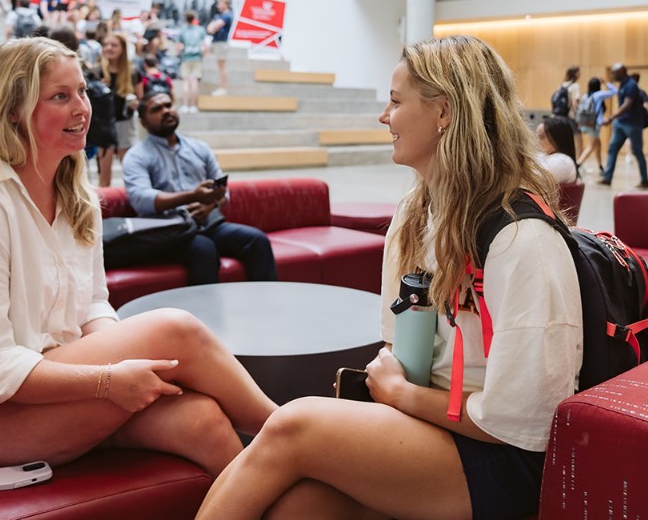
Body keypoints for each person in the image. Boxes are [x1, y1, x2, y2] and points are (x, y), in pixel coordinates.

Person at [197, 35, 582, 519]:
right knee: (296, 507)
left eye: (396, 101)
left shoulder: (521, 240)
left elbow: (524, 420)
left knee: (293, 422)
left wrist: (402, 394)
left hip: (502, 457)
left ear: (443, 112)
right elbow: (400, 349)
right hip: (430, 423)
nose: (384, 116)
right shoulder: (414, 213)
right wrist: (398, 393)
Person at [0, 36, 277, 474]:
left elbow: (94, 302)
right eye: (60, 96)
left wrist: (119, 363)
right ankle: (288, 429)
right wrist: (107, 380)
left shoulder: (76, 195)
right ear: (12, 112)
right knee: (176, 329)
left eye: (82, 90)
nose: (82, 108)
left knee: (204, 421)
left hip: (50, 383)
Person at [123, 92, 277, 285]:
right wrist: (192, 196)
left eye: (169, 105)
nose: (166, 111)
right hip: (168, 232)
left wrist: (212, 205)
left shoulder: (199, 147)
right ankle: (206, 315)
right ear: (143, 122)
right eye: (157, 109)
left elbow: (223, 191)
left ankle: (266, 308)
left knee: (257, 240)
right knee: (204, 249)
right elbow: (141, 200)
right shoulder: (136, 156)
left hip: (208, 223)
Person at [597, 63, 648, 189]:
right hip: (620, 123)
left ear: (622, 72)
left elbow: (626, 105)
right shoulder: (622, 84)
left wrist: (610, 117)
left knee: (637, 152)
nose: (612, 75)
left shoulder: (631, 85)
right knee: (612, 149)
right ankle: (608, 178)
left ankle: (645, 181)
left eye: (614, 73)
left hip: (632, 124)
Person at [97, 31, 138, 186]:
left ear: (122, 49)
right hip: (104, 126)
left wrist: (135, 104)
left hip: (124, 124)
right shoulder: (96, 71)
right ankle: (104, 210)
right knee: (104, 178)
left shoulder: (133, 72)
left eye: (113, 45)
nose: (109, 48)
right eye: (106, 45)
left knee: (130, 173)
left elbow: (141, 98)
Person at [575, 76, 614, 175]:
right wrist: (606, 83)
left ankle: (600, 167)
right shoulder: (598, 95)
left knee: (598, 144)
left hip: (586, 124)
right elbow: (614, 91)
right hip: (594, 125)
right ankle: (577, 165)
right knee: (591, 146)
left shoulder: (585, 95)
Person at [536, 116, 580, 185]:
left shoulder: (563, 161)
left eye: (542, 137)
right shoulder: (543, 155)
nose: (537, 141)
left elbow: (533, 180)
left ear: (558, 138)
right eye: (537, 137)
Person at [176, 11, 206, 112]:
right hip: (197, 58)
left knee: (186, 82)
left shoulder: (183, 31)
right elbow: (203, 46)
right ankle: (193, 106)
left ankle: (185, 105)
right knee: (194, 82)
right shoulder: (200, 30)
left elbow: (179, 47)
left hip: (186, 58)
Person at [207, 0, 233, 96]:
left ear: (226, 4)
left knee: (222, 66)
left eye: (220, 3)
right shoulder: (219, 16)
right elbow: (210, 28)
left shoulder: (227, 16)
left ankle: (223, 88)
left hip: (221, 43)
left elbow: (214, 28)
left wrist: (213, 27)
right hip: (216, 42)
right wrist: (212, 27)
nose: (218, 5)